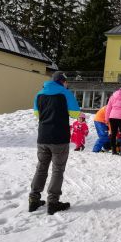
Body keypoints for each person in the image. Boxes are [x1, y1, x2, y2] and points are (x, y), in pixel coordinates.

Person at [29, 71, 80, 215]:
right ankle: (53, 202)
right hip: (59, 138)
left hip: (43, 137)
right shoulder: (65, 93)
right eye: (66, 81)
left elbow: (37, 114)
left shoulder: (39, 94)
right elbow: (75, 113)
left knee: (41, 168)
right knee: (57, 170)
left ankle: (33, 199)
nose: (67, 84)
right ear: (62, 81)